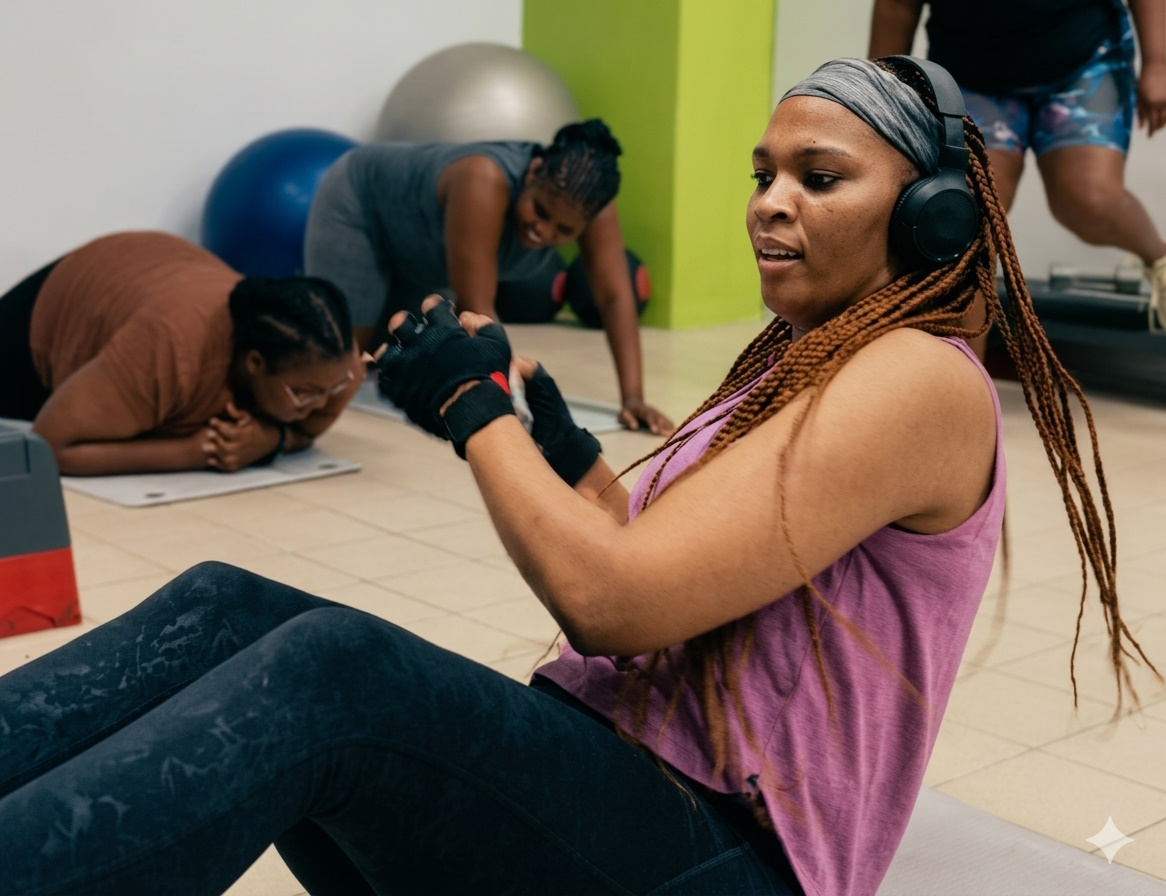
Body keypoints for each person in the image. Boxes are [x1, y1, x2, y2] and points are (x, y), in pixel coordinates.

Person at [0, 57, 1155, 896]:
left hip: (721, 854)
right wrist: (560, 449)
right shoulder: (809, 362)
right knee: (227, 599)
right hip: (623, 796)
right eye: (762, 172)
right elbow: (676, 563)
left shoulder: (919, 376)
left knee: (331, 674)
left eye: (818, 176)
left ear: (928, 215)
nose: (768, 200)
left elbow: (615, 602)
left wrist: (471, 412)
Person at [303, 118, 675, 436]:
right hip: (361, 210)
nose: (543, 233)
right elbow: (477, 309)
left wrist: (633, 397)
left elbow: (614, 298)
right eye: (540, 211)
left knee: (396, 367)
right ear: (532, 173)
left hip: (423, 255)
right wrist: (511, 404)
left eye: (564, 230)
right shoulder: (483, 177)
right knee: (340, 367)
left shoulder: (591, 204)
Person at [869, 0, 1166, 332]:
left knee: (1088, 200)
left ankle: (1160, 259)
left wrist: (1158, 62)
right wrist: (882, 99)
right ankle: (968, 376)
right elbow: (897, 6)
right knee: (967, 222)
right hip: (972, 70)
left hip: (1082, 56)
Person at [0, 231, 362, 476]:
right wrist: (194, 452)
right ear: (254, 364)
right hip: (60, 303)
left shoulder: (334, 365)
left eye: (333, 389)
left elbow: (307, 428)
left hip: (158, 272)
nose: (320, 404)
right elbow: (49, 446)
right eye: (304, 394)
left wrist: (275, 440)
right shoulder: (168, 348)